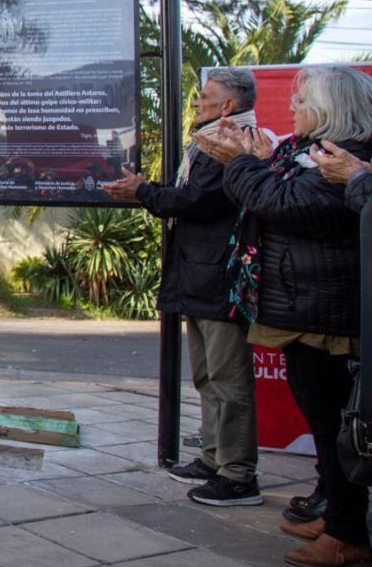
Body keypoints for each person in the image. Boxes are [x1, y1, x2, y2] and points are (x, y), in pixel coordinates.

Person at [196, 65, 372, 567]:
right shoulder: (307, 154)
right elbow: (270, 187)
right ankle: (339, 514)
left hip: (326, 314)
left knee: (334, 424)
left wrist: (242, 165)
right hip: (306, 307)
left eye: (302, 99)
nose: (292, 107)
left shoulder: (342, 160)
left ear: (331, 109)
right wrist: (255, 158)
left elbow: (279, 203)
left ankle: (346, 535)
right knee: (324, 423)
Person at [103, 68, 264, 506]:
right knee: (207, 376)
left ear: (228, 106)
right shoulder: (209, 140)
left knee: (229, 380)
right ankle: (213, 457)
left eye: (205, 97)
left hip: (221, 277)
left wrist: (144, 192)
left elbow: (200, 200)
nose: (196, 104)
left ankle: (238, 473)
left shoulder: (237, 143)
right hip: (197, 273)